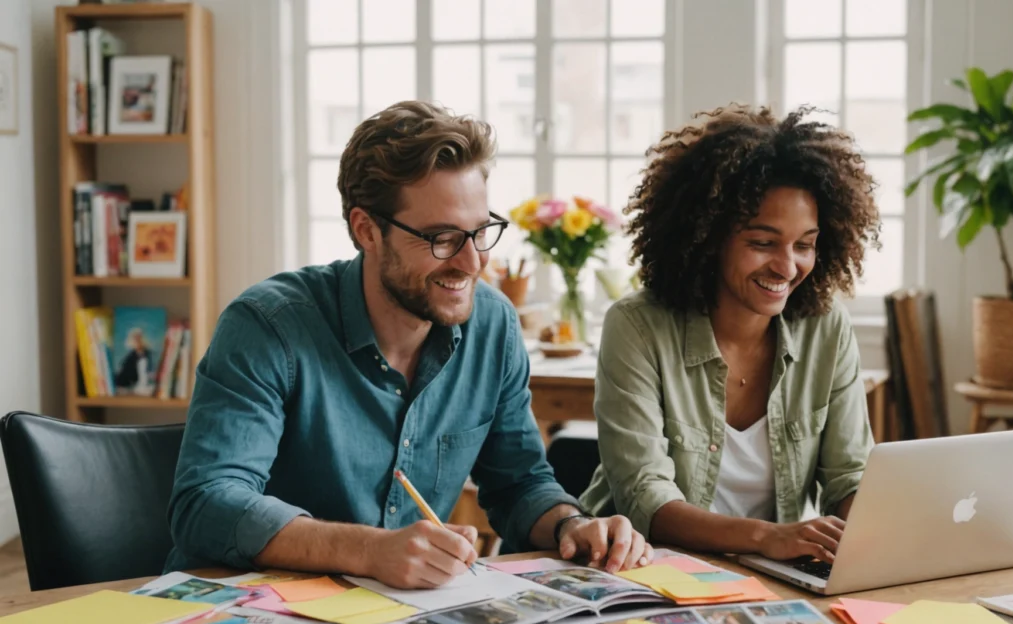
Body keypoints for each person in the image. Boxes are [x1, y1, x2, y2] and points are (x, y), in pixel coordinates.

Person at [166, 101, 652, 589]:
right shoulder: (267, 327)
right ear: (366, 230)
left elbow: (519, 483)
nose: (471, 262)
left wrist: (572, 525)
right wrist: (368, 550)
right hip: (249, 615)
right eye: (441, 238)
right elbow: (207, 503)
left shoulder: (493, 325)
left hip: (399, 616)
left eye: (480, 232)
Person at [578, 104, 880, 565]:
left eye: (804, 245)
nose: (786, 266)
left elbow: (850, 476)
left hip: (778, 575)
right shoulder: (638, 327)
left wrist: (878, 532)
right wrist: (766, 537)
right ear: (708, 237)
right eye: (762, 243)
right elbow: (645, 497)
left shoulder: (826, 326)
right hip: (641, 570)